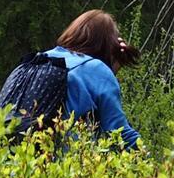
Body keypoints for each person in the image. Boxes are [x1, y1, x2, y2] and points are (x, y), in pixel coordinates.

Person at [43, 9, 141, 149]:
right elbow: (120, 135)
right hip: (63, 159)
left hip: (20, 156)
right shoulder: (96, 70)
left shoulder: (39, 59)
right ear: (108, 44)